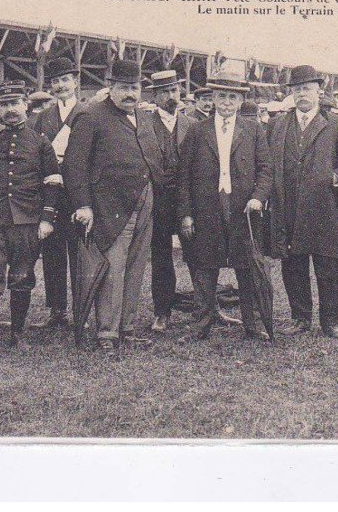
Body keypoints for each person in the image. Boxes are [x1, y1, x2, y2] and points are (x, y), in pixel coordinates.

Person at [62, 59, 163, 353]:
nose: (129, 94)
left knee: (135, 267)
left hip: (144, 200)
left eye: (134, 88)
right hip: (109, 205)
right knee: (112, 269)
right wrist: (84, 205)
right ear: (110, 88)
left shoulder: (144, 118)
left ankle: (127, 327)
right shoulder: (90, 116)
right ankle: (107, 332)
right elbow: (74, 164)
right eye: (123, 88)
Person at [0, 81, 60, 355]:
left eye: (15, 104)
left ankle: (18, 332)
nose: (10, 110)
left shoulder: (40, 143)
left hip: (27, 221)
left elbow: (52, 183)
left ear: (25, 106)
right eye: (4, 105)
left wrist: (47, 218)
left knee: (22, 276)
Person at [178, 71, 272, 340]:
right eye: (222, 96)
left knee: (246, 267)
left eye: (232, 97)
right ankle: (201, 325)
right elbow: (183, 175)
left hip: (243, 208)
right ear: (213, 98)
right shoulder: (198, 130)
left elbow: (266, 169)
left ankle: (252, 325)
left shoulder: (253, 130)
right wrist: (185, 214)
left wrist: (258, 197)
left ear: (241, 100)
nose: (227, 102)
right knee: (205, 267)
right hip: (207, 208)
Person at [266, 66, 338, 339]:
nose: (302, 94)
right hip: (288, 204)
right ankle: (300, 318)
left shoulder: (336, 124)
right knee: (293, 264)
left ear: (319, 91)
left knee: (327, 264)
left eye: (307, 89)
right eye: (297, 90)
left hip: (323, 206)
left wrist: (337, 175)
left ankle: (330, 321)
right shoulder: (278, 125)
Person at [27, 56, 84, 330]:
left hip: (78, 195)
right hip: (51, 195)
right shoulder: (41, 119)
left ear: (75, 81)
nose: (60, 86)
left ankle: (82, 308)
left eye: (65, 80)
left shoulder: (87, 113)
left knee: (80, 253)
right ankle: (57, 309)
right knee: (52, 252)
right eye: (55, 81)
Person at [147, 70, 194, 332]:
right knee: (161, 256)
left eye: (174, 91)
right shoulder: (143, 125)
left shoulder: (192, 124)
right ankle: (162, 311)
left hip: (188, 200)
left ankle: (207, 307)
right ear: (154, 96)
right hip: (159, 202)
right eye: (165, 92)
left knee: (198, 255)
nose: (171, 96)